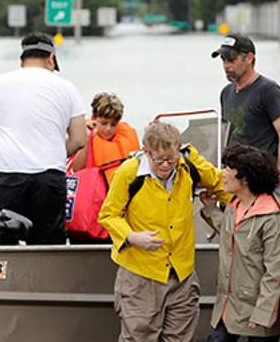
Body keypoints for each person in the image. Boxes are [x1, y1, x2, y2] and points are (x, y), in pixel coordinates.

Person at [98, 121, 230, 342]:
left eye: (172, 158)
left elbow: (221, 183)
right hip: (141, 274)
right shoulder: (128, 172)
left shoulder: (188, 164)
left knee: (180, 337)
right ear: (146, 151)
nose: (166, 165)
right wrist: (132, 237)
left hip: (182, 273)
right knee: (138, 337)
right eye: (159, 160)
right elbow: (108, 215)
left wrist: (243, 212)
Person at [0, 33, 88, 245]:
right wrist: (54, 152)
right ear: (51, 58)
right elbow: (79, 139)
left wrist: (3, 152)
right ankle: (44, 278)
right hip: (49, 179)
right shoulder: (68, 88)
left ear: (22, 60)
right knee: (46, 246)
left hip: (7, 176)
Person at [209, 144, 280, 342]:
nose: (222, 174)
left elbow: (276, 271)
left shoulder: (272, 218)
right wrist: (210, 210)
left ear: (245, 178)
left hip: (258, 309)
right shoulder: (233, 205)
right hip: (227, 306)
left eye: (228, 168)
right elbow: (234, 234)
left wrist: (263, 313)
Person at [214, 34, 280, 213]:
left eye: (231, 59)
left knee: (274, 234)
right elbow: (225, 134)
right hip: (237, 180)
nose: (226, 66)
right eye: (223, 60)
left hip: (265, 179)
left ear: (249, 58)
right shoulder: (226, 93)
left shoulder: (269, 91)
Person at [70, 92, 140, 186]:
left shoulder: (126, 136)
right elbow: (77, 168)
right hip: (93, 192)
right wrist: (88, 138)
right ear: (94, 118)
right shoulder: (86, 134)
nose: (108, 129)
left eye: (113, 125)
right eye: (104, 123)